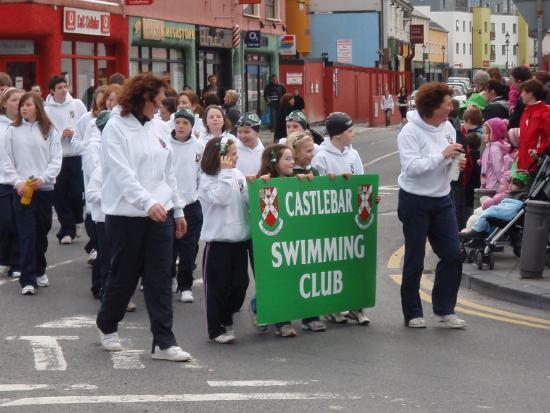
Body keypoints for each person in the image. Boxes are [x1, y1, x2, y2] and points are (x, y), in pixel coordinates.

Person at [95, 74, 191, 362]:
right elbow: (122, 174)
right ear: (141, 99)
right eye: (157, 100)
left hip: (160, 214)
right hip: (126, 215)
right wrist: (146, 202)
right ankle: (107, 324)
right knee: (124, 275)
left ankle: (164, 342)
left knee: (160, 277)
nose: (161, 105)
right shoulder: (115, 128)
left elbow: (168, 172)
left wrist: (178, 209)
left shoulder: (160, 128)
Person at [396, 82, 467, 329]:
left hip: (442, 198)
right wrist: (443, 155)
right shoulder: (409, 132)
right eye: (447, 103)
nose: (451, 107)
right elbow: (412, 169)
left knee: (453, 254)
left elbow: (444, 162)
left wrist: (454, 164)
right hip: (414, 199)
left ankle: (444, 309)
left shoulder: (448, 127)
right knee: (414, 259)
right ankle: (413, 312)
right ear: (433, 107)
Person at [312, 112, 370, 326]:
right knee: (333, 264)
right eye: (349, 131)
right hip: (331, 220)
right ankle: (333, 307)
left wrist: (369, 198)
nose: (352, 135)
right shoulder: (322, 158)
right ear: (337, 134)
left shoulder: (353, 155)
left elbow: (362, 180)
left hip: (352, 219)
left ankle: (357, 306)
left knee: (354, 262)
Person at [3, 92, 62, 295]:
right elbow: (6, 160)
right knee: (26, 233)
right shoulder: (12, 130)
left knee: (41, 232)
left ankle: (39, 269)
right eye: (21, 105)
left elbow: (56, 159)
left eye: (28, 104)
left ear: (37, 107)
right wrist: (17, 182)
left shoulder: (49, 130)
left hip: (44, 189)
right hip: (21, 191)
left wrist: (44, 178)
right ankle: (28, 280)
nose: (24, 108)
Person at [199, 137, 250, 344]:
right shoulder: (207, 179)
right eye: (232, 153)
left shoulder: (237, 174)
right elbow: (221, 199)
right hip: (218, 241)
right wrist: (226, 173)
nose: (236, 157)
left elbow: (245, 199)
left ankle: (227, 315)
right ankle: (216, 328)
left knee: (241, 284)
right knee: (217, 287)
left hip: (239, 239)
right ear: (220, 156)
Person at [44, 76, 87, 245]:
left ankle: (78, 219)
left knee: (77, 192)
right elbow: (45, 133)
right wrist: (61, 135)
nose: (64, 89)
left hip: (76, 156)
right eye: (59, 87)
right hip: (58, 158)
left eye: (65, 86)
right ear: (52, 91)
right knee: (60, 195)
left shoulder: (77, 104)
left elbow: (85, 126)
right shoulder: (46, 109)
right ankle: (67, 229)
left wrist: (75, 134)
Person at [170, 108, 204, 304]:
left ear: (192, 126)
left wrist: (196, 194)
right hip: (171, 205)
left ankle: (185, 286)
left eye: (185, 123)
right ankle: (170, 277)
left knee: (188, 248)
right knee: (169, 247)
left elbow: (201, 174)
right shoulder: (165, 145)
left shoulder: (199, 146)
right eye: (178, 122)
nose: (181, 126)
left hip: (191, 204)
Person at [83, 111, 111, 300]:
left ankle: (104, 287)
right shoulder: (95, 147)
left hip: (119, 215)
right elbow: (94, 187)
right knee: (106, 254)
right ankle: (101, 287)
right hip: (102, 215)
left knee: (113, 254)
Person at [460, 171, 529, 239]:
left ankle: (477, 231)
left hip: (512, 209)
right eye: (510, 182)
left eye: (514, 183)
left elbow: (512, 206)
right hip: (510, 208)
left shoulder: (521, 196)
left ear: (522, 185)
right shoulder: (514, 194)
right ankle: (480, 233)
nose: (510, 185)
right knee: (487, 213)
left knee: (489, 212)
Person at [0, 87, 23, 278]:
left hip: (23, 182)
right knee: (5, 222)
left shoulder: (26, 125)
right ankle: (4, 257)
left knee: (18, 223)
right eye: (14, 100)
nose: (18, 103)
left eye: (20, 100)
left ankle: (17, 261)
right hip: (3, 181)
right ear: (4, 103)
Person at [517, 78, 550, 173]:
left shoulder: (545, 113)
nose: (521, 95)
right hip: (524, 164)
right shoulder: (526, 111)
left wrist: (539, 151)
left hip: (538, 166)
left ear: (530, 94)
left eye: (523, 92)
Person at [480, 117, 511, 191]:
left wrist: (502, 182)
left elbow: (498, 169)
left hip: (493, 185)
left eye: (486, 133)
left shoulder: (495, 149)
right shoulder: (489, 146)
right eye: (483, 132)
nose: (484, 135)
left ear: (495, 133)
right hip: (488, 183)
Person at [235, 112, 264, 177]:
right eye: (239, 132)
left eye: (246, 132)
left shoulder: (264, 152)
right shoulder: (232, 150)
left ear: (258, 132)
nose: (242, 136)